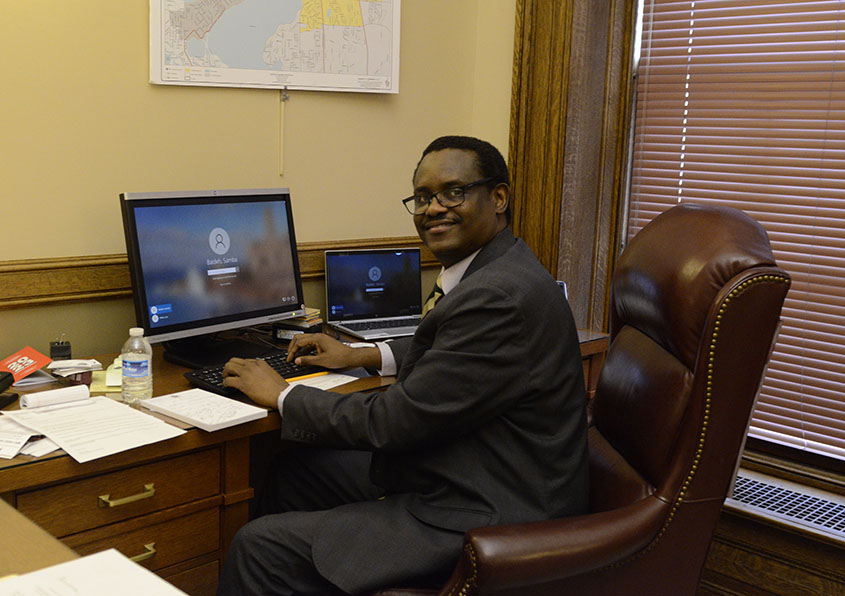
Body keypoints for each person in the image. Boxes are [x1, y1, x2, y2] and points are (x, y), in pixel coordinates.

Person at [217, 136, 589, 596]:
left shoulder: (495, 298)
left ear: (498, 197)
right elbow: (458, 349)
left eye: (453, 192)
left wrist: (283, 394)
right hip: (484, 467)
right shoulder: (502, 267)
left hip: (487, 508)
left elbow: (394, 423)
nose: (434, 208)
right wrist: (364, 354)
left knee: (259, 548)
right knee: (296, 472)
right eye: (424, 197)